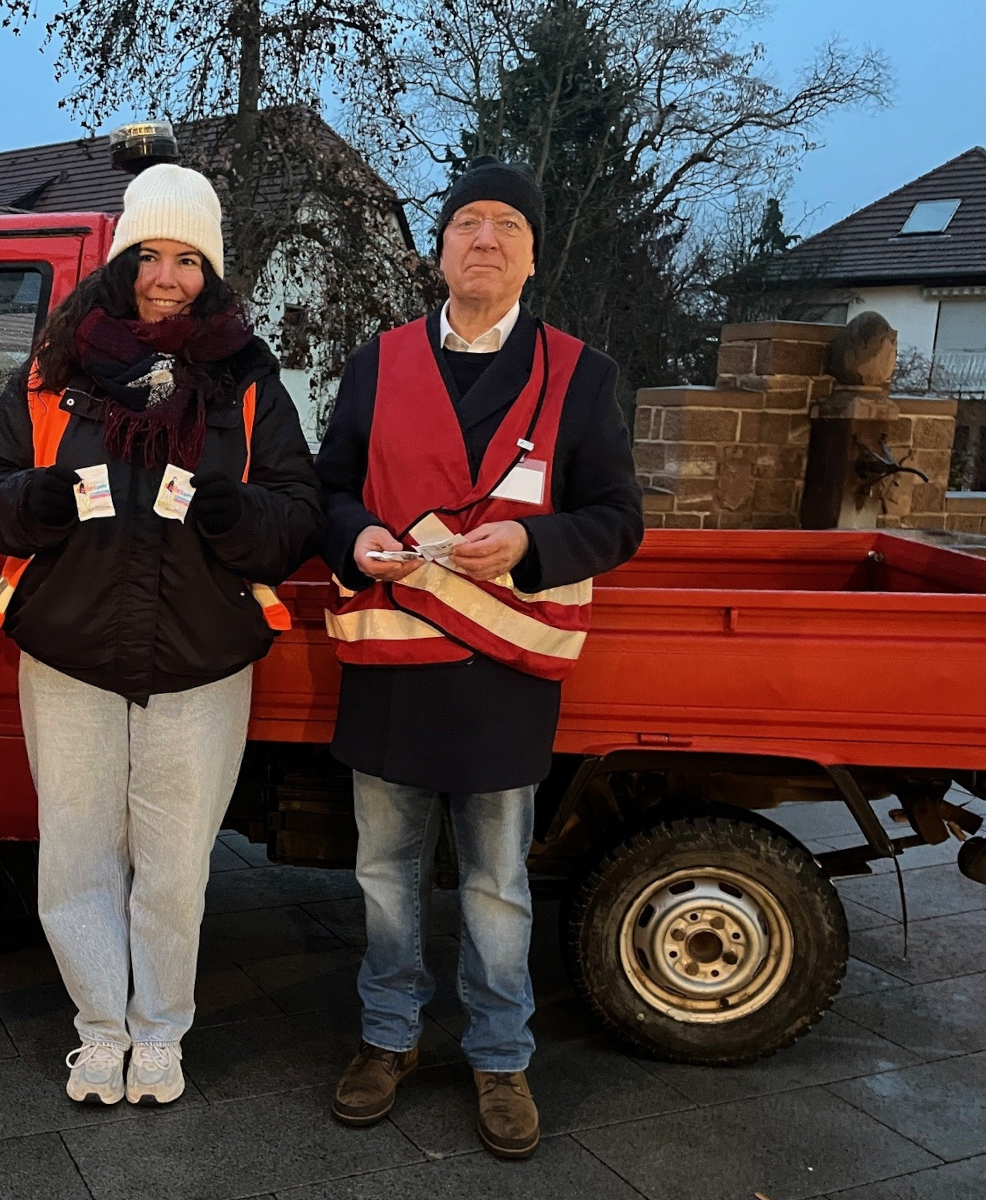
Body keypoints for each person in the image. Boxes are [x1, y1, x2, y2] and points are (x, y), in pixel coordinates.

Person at [0, 164, 322, 1107]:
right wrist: (33, 500)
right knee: (75, 856)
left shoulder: (247, 382)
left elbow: (297, 515)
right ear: (120, 263)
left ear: (213, 271)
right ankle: (99, 1030)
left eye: (188, 258)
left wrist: (237, 514)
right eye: (150, 254)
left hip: (200, 657)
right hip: (72, 649)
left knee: (174, 866)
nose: (167, 275)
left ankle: (160, 1032)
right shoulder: (54, 368)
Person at [315, 158, 643, 1158]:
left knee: (497, 885)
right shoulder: (375, 362)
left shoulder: (582, 375)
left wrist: (535, 547)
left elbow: (618, 519)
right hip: (389, 675)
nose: (484, 239)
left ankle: (501, 1057)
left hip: (503, 680)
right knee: (383, 875)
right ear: (440, 249)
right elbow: (329, 491)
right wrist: (353, 540)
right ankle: (386, 1040)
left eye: (506, 225)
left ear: (533, 255)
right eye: (466, 223)